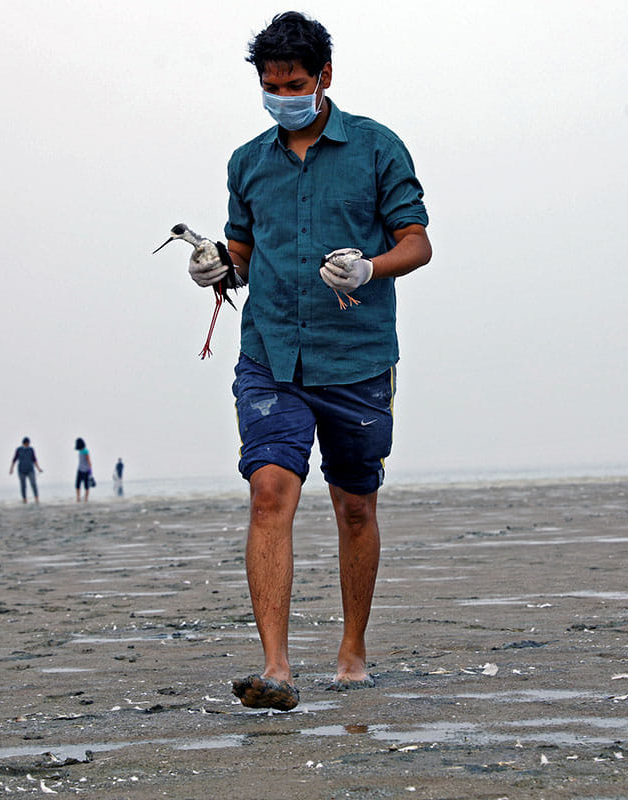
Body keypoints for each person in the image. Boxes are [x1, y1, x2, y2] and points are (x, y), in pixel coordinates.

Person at [186, 11, 431, 711]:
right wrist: (214, 267)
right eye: (269, 85)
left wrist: (371, 268)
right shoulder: (248, 163)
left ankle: (352, 650)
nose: (281, 95)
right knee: (270, 490)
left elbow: (418, 242)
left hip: (355, 358)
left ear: (324, 77)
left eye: (293, 83)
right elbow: (241, 254)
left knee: (354, 506)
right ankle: (277, 669)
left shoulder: (378, 148)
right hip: (269, 354)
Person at [9, 436, 43, 504]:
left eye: (28, 443)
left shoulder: (31, 449)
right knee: (23, 485)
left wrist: (38, 468)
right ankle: (24, 499)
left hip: (30, 469)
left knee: (33, 483)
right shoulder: (19, 450)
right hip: (21, 470)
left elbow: (34, 459)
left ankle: (36, 498)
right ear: (24, 443)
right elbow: (14, 460)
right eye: (27, 443)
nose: (28, 445)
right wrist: (11, 469)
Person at [74, 437, 93, 502]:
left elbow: (89, 461)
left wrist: (90, 471)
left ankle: (86, 499)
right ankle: (78, 498)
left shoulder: (85, 451)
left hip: (86, 470)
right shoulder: (80, 451)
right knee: (77, 484)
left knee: (86, 485)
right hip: (79, 469)